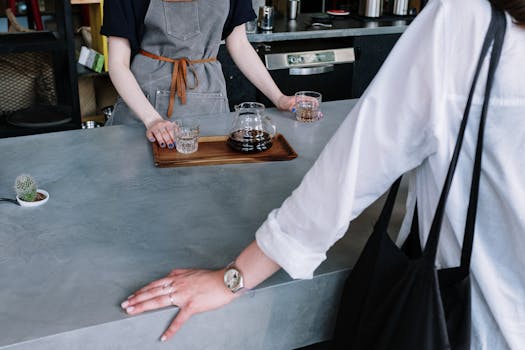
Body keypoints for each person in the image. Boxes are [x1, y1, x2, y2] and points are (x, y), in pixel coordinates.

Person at [119, 0, 525, 348]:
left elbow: (352, 167)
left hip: (472, 326)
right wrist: (153, 119)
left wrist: (234, 277)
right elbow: (118, 62)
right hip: (150, 105)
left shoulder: (465, 21)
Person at [100, 0, 295, 149]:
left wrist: (279, 97)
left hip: (209, 104)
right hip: (143, 110)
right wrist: (152, 120)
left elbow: (240, 44)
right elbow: (117, 63)